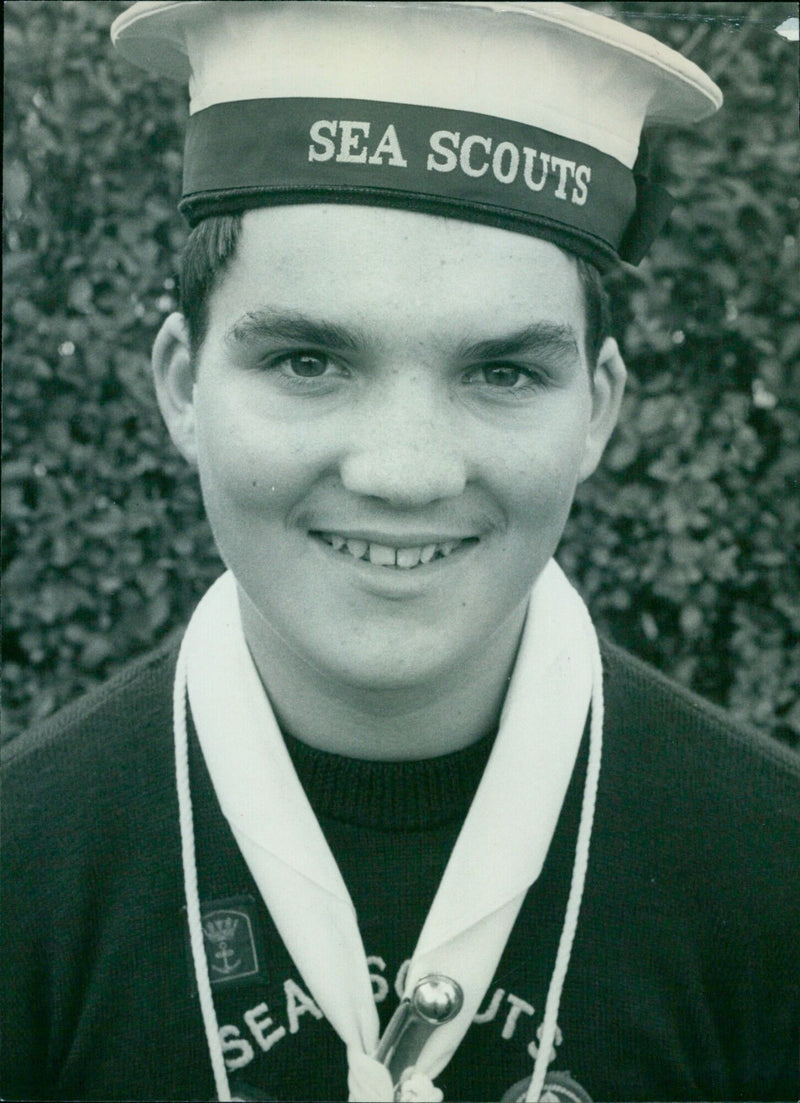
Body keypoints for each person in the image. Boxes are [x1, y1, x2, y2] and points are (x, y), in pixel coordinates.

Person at [2, 3, 798, 1102]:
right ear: (183, 385)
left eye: (502, 372)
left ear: (597, 411)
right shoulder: (20, 875)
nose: (405, 470)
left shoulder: (772, 874)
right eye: (307, 361)